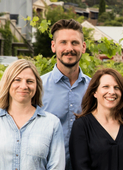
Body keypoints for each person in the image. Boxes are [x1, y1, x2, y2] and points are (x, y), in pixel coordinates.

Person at [0, 59, 65, 170]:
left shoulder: (52, 124)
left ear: (37, 86)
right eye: (17, 80)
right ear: (8, 83)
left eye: (29, 81)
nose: (23, 86)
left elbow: (56, 167)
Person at [40, 19, 92, 169]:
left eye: (74, 43)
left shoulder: (95, 89)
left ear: (83, 47)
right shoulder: (38, 88)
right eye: (63, 42)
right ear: (53, 46)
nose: (69, 48)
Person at [69, 68, 123, 169]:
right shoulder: (82, 126)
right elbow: (80, 166)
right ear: (95, 92)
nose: (112, 92)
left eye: (117, 87)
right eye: (106, 87)